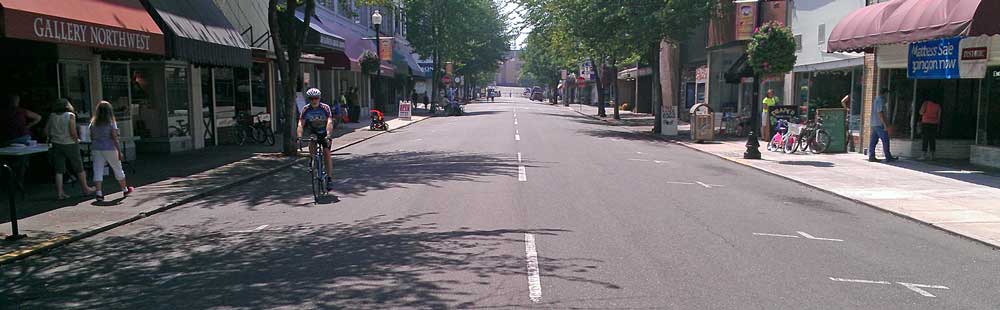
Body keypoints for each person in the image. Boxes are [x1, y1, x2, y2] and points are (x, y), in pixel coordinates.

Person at [46, 99, 95, 199]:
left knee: (59, 169)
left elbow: (46, 131)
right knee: (78, 166)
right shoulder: (70, 115)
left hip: (56, 143)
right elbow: (72, 131)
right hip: (69, 143)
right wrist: (76, 139)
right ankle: (85, 189)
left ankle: (60, 192)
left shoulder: (52, 116)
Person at [90, 100, 134, 201]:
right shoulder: (111, 122)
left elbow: (92, 136)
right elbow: (114, 137)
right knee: (117, 168)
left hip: (97, 148)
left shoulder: (93, 123)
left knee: (97, 170)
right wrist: (119, 151)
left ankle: (99, 193)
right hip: (110, 147)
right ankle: (124, 189)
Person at [297, 88, 335, 191]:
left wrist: (328, 135)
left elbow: (329, 122)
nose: (314, 101)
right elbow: (301, 123)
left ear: (319, 98)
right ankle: (312, 159)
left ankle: (329, 178)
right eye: (311, 98)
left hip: (324, 132)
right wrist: (299, 137)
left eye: (316, 98)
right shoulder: (306, 109)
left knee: (327, 152)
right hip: (313, 132)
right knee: (312, 141)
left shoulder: (325, 108)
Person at [868, 88, 897, 162]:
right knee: (885, 140)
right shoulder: (880, 100)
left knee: (873, 141)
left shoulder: (876, 100)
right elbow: (880, 113)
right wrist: (885, 125)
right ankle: (888, 156)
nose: (888, 97)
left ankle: (871, 156)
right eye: (887, 94)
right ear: (885, 94)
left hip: (874, 123)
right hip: (879, 124)